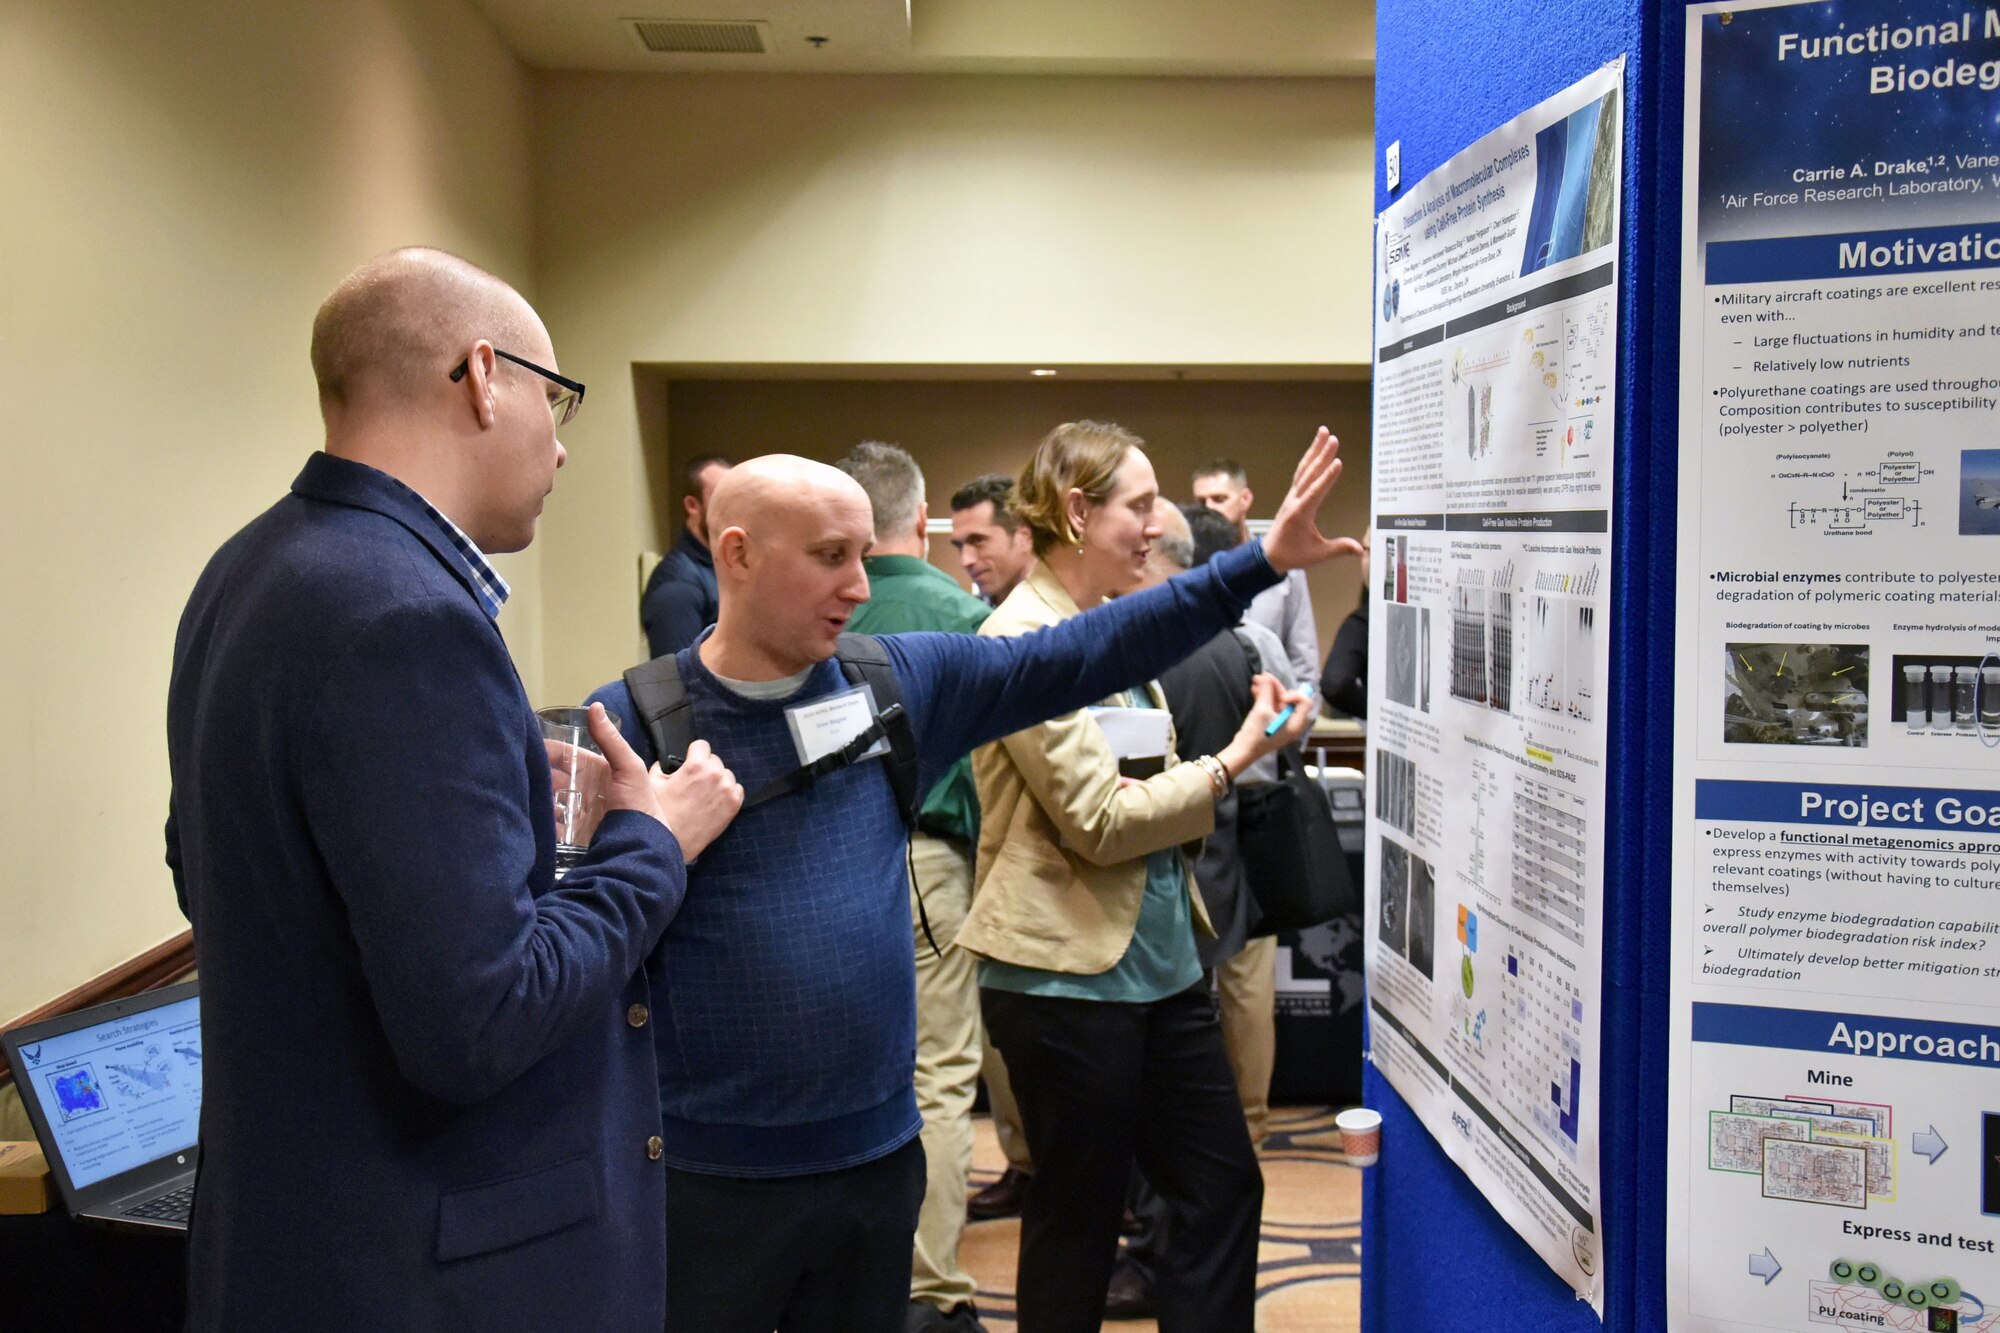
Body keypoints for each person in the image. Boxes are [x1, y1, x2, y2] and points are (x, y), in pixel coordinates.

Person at [587, 429, 1355, 1333]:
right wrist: (651, 846)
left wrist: (1253, 563)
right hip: (707, 1179)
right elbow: (566, 960)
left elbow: (1087, 651)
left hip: (872, 1163)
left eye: (862, 555)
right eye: (830, 558)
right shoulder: (628, 726)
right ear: (737, 554)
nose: (861, 587)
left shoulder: (895, 684)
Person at [164, 248, 743, 1331]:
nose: (562, 444)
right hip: (422, 1268)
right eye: (554, 397)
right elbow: (482, 1019)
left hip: (295, 1237)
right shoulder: (407, 617)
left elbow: (217, 861)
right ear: (484, 375)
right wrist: (649, 841)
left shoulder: (255, 569)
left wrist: (495, 775)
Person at [961, 422, 1332, 1333]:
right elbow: (1098, 820)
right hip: (1063, 976)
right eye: (1138, 505)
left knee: (1219, 1184)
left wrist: (1245, 747)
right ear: (1078, 512)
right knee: (1079, 1217)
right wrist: (1229, 763)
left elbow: (1136, 775)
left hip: (1159, 966)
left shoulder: (1111, 631)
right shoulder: (1021, 637)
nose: (1157, 522)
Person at [834, 442, 992, 1333]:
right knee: (938, 1073)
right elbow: (984, 776)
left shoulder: (799, 606)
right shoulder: (963, 615)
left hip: (820, 866)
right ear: (921, 519)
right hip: (931, 862)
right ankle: (927, 1290)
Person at [1192, 458, 1321, 690]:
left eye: (1219, 499)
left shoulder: (1283, 566)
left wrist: (1295, 718)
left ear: (1245, 499)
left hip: (1275, 710)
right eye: (1202, 501)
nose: (1210, 508)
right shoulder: (1191, 569)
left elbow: (1304, 658)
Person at [641, 453, 734, 658]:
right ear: (693, 505)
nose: (734, 508)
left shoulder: (726, 567)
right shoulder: (678, 584)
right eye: (721, 497)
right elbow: (675, 682)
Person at [948, 473, 1037, 605]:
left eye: (978, 540)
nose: (966, 561)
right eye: (959, 546)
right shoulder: (971, 621)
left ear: (1024, 536)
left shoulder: (1068, 614)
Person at [1320, 528, 1370, 718]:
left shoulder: (1363, 622)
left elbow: (1335, 683)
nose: (1362, 558)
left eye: (1367, 549)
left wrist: (1381, 718)